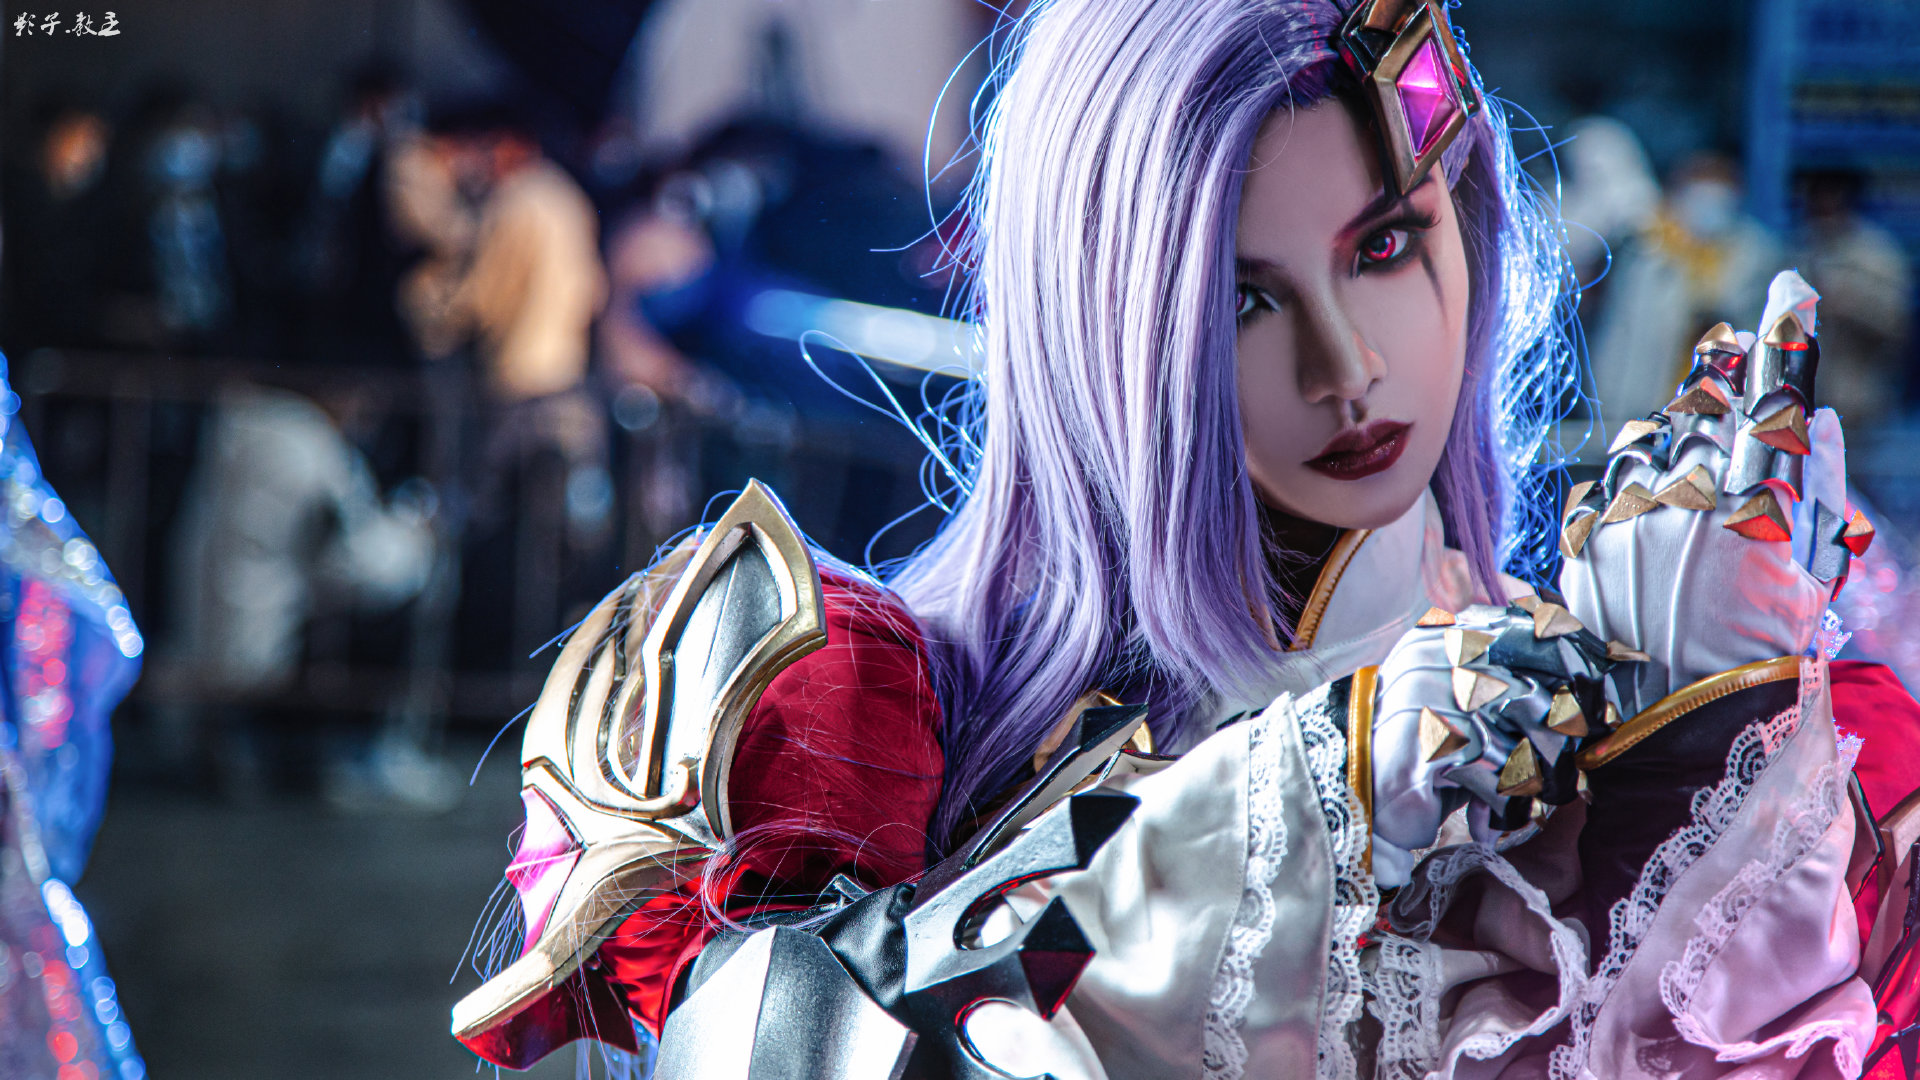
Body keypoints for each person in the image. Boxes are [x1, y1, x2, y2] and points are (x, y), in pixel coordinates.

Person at [450, 1, 1920, 1077]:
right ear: (1105, 325)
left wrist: (1718, 762)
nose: (1350, 367)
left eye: (1387, 245)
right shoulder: (843, 704)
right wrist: (1267, 822)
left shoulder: (1659, 718)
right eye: (1242, 299)